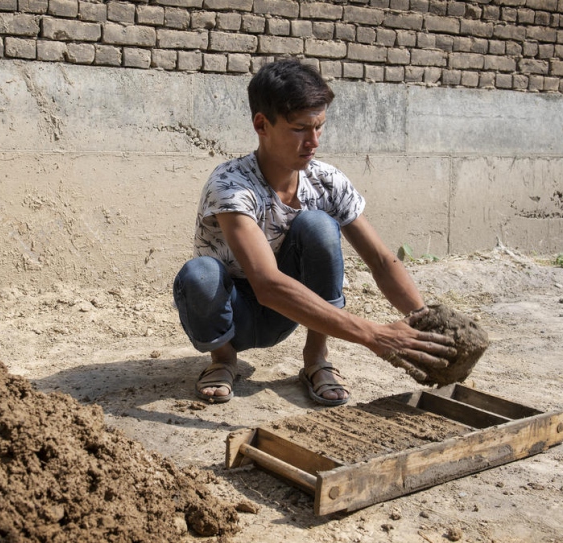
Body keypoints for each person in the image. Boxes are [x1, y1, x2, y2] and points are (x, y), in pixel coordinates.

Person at [173, 58, 456, 406]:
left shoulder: (325, 181)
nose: (313, 141)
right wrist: (374, 336)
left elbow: (381, 261)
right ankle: (223, 359)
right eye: (299, 129)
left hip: (292, 310)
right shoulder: (230, 185)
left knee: (319, 224)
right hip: (234, 310)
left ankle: (317, 359)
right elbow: (267, 284)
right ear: (262, 124)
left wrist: (425, 326)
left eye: (319, 127)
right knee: (199, 274)